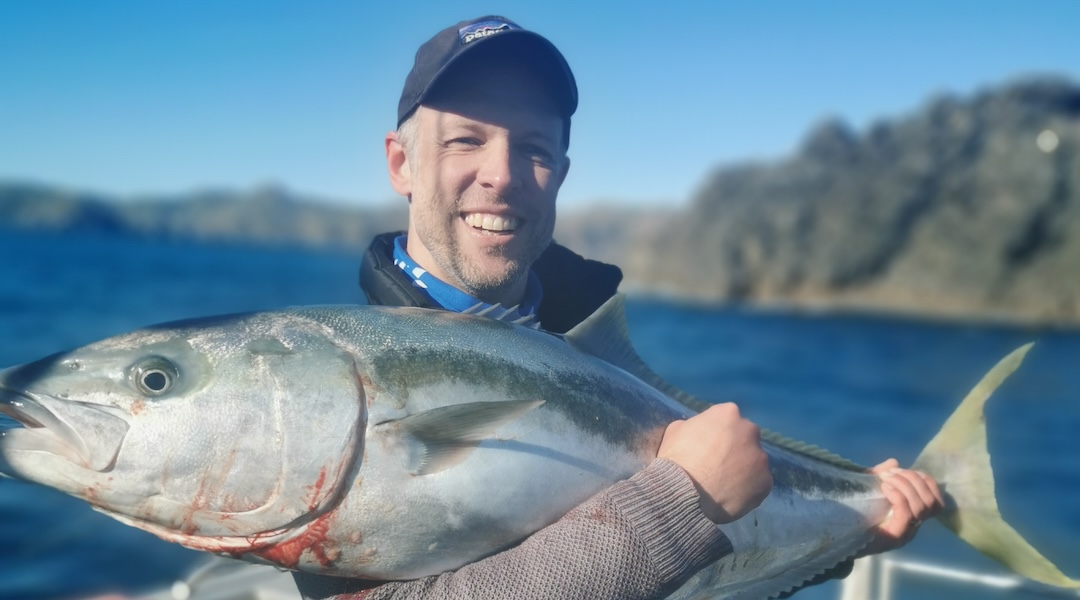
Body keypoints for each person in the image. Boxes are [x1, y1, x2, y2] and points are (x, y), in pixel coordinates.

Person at [293, 16, 943, 600]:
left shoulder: (583, 341)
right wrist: (683, 500)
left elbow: (695, 565)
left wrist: (855, 523)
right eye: (466, 140)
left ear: (560, 174)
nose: (503, 175)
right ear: (401, 163)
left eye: (535, 150)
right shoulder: (332, 398)